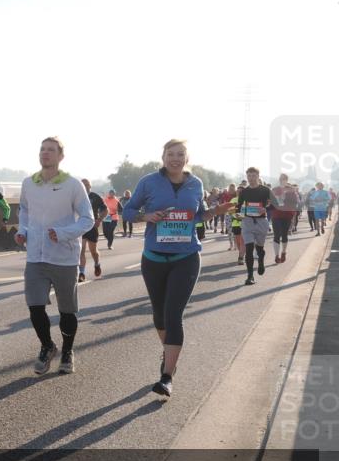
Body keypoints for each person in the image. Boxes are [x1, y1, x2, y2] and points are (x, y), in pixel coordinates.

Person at [123, 140, 233, 397]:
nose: (175, 158)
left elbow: (198, 216)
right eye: (170, 154)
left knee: (173, 315)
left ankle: (167, 376)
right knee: (159, 316)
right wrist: (145, 217)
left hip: (186, 257)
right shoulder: (148, 182)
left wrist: (217, 210)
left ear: (187, 157)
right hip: (153, 258)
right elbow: (127, 211)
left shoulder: (195, 183)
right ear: (162, 157)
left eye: (180, 154)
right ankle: (169, 353)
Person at [15, 138, 94, 375]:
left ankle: (68, 351)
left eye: (51, 150)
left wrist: (62, 234)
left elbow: (87, 219)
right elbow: (25, 211)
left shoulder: (72, 184)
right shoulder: (29, 183)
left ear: (61, 156)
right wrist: (22, 231)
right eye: (42, 149)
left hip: (63, 256)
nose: (45, 153)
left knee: (66, 311)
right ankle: (48, 345)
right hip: (35, 256)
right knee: (35, 306)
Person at [237, 168, 272, 286]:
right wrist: (238, 214)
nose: (251, 178)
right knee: (249, 248)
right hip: (247, 222)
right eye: (249, 176)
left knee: (260, 248)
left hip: (261, 221)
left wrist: (265, 208)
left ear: (258, 176)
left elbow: (276, 204)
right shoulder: (244, 191)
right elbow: (239, 205)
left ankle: (261, 261)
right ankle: (250, 276)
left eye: (253, 176)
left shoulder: (266, 190)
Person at [78, 179, 106, 281]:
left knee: (93, 251)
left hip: (92, 226)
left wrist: (99, 220)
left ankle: (97, 264)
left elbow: (105, 209)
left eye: (87, 185)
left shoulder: (95, 196)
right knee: (81, 249)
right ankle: (81, 273)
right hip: (80, 226)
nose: (85, 187)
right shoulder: (77, 197)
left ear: (90, 186)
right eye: (83, 185)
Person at [270, 174, 299, 264]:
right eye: (281, 179)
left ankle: (283, 252)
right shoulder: (274, 189)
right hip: (276, 215)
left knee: (284, 235)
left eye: (284, 179)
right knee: (276, 235)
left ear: (287, 180)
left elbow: (295, 202)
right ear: (279, 180)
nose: (282, 180)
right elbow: (270, 202)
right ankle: (276, 256)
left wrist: (286, 201)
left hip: (287, 215)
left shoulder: (291, 190)